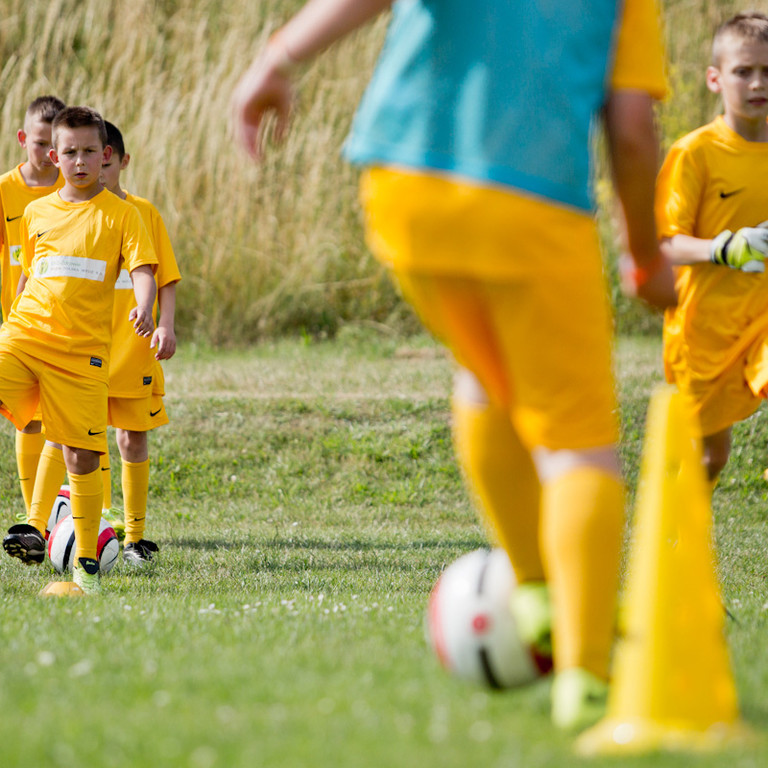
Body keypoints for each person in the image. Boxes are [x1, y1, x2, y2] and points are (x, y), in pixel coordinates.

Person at [231, 0, 676, 730]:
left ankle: (533, 587)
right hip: (533, 204)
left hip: (405, 186)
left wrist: (279, 58)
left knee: (486, 371)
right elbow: (631, 130)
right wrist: (645, 254)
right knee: (575, 442)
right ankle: (587, 676)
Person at [0, 106, 158, 596]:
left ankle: (85, 566)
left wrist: (146, 307)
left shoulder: (124, 215)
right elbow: (29, 272)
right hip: (25, 336)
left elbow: (143, 269)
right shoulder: (36, 210)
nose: (81, 160)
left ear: (106, 155)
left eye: (91, 151)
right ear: (55, 155)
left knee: (82, 454)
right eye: (70, 152)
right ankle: (35, 520)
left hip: (83, 356)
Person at [657, 12, 768, 482]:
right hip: (704, 330)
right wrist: (725, 249)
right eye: (744, 71)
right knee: (708, 460)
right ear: (714, 78)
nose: (758, 82)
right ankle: (679, 546)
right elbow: (664, 244)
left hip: (762, 320)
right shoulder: (694, 153)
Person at [99, 120, 180, 566]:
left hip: (134, 346)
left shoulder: (144, 213)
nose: (99, 169)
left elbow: (165, 274)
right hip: (86, 347)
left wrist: (165, 323)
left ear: (120, 161)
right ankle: (97, 529)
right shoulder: (72, 211)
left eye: (107, 160)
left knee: (132, 438)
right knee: (87, 440)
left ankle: (135, 537)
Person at [0, 95, 66, 518]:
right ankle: (34, 519)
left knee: (69, 423)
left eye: (54, 145)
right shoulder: (4, 191)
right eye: (39, 143)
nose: (48, 154)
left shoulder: (73, 188)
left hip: (64, 328)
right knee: (29, 421)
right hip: (18, 326)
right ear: (23, 138)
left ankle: (79, 516)